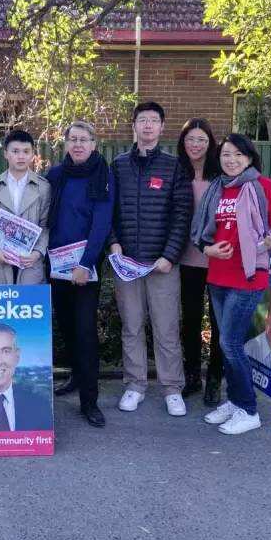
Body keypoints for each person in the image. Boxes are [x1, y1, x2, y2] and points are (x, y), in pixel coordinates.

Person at [191, 133, 271, 435]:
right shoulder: (216, 189)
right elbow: (202, 233)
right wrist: (207, 249)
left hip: (248, 277)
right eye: (225, 155)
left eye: (237, 155)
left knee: (230, 344)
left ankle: (249, 409)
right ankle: (235, 402)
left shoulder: (265, 188)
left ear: (249, 158)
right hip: (218, 276)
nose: (231, 160)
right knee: (227, 342)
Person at [110, 101, 193, 418]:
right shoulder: (117, 165)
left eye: (153, 120)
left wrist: (169, 256)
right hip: (126, 265)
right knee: (131, 327)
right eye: (142, 120)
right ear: (134, 126)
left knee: (166, 328)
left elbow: (181, 215)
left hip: (161, 266)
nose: (147, 125)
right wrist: (114, 243)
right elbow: (110, 212)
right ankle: (135, 385)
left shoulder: (173, 167)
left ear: (161, 127)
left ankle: (172, 388)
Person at [46, 120, 115, 428]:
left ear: (93, 144)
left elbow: (101, 224)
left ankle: (90, 400)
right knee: (66, 328)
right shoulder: (56, 175)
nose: (77, 145)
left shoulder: (103, 175)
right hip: (56, 266)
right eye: (72, 139)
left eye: (83, 140)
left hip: (84, 269)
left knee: (85, 333)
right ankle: (75, 377)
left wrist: (86, 264)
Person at [176, 118, 223, 405]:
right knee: (191, 320)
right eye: (190, 139)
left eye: (201, 140)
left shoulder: (221, 175)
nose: (195, 145)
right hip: (187, 259)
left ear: (210, 143)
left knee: (219, 323)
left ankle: (215, 378)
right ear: (183, 143)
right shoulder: (177, 172)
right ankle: (192, 376)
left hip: (218, 259)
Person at [0, 129, 51, 285]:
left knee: (28, 307)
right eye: (15, 151)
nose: (21, 156)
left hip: (30, 264)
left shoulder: (43, 188)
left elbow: (46, 225)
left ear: (33, 154)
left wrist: (38, 253)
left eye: (26, 151)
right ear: (6, 153)